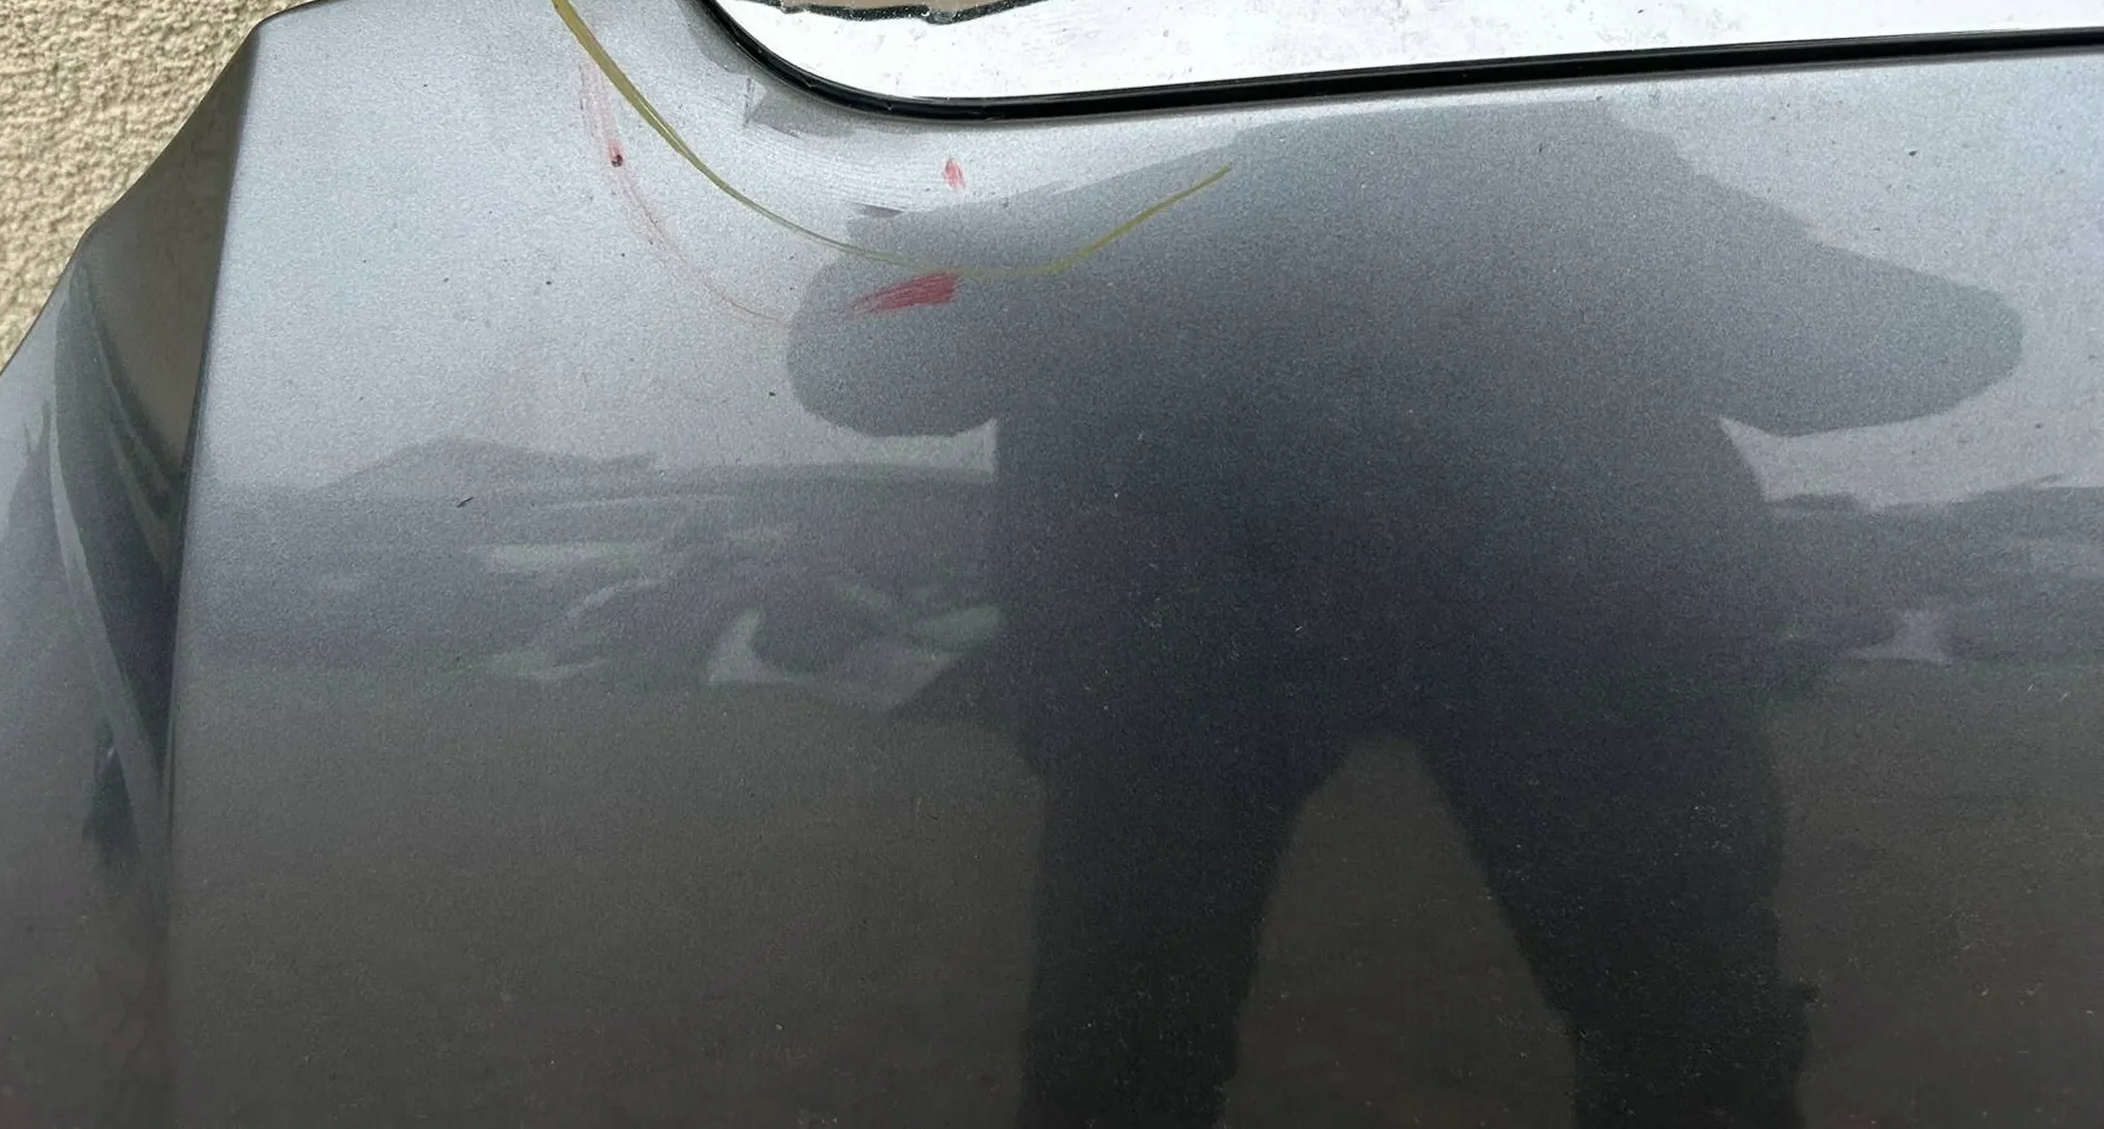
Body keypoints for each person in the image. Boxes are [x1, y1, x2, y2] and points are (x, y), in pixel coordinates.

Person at [786, 98, 2021, 1128]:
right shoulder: (1585, 197)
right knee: (1683, 1042)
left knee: (1122, 1052)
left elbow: (853, 369)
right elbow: (1928, 345)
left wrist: (1005, 238)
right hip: (1577, 673)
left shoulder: (1113, 198)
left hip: (1179, 680)